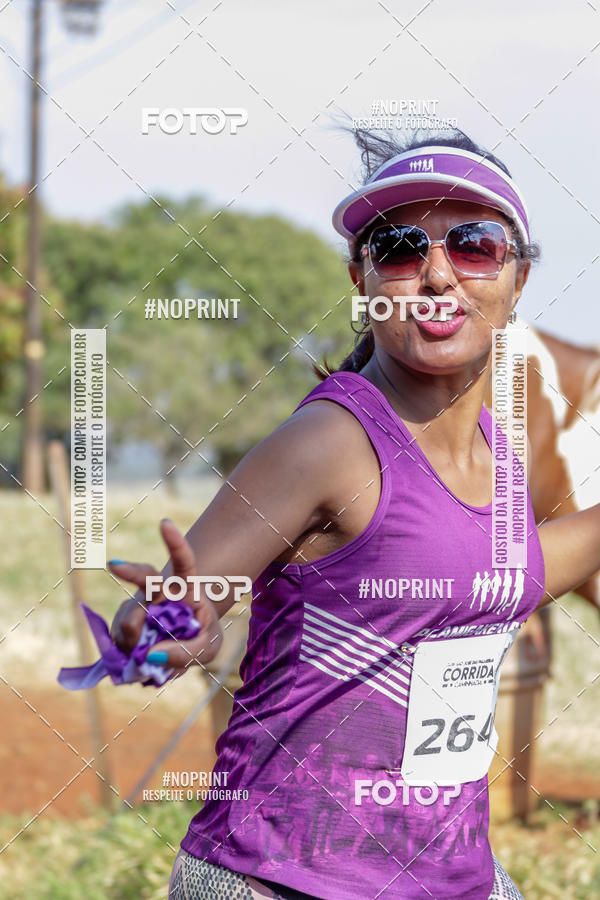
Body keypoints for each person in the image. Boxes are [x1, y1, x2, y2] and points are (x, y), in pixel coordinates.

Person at [108, 127, 600, 899]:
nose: (438, 274)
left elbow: (513, 576)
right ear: (361, 279)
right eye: (400, 249)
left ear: (519, 276)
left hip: (457, 881)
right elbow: (180, 604)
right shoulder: (328, 442)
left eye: (474, 245)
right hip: (284, 879)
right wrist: (167, 624)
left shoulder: (498, 457)